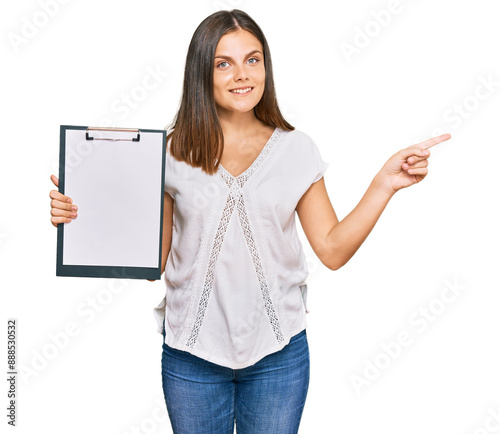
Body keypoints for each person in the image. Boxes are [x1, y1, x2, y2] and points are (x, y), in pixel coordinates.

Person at [49, 9, 451, 434]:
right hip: (191, 355)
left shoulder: (297, 149)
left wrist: (383, 184)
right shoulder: (170, 152)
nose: (242, 75)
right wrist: (82, 215)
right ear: (202, 73)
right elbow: (152, 262)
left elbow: (331, 251)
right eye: (224, 63)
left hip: (278, 356)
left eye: (252, 59)